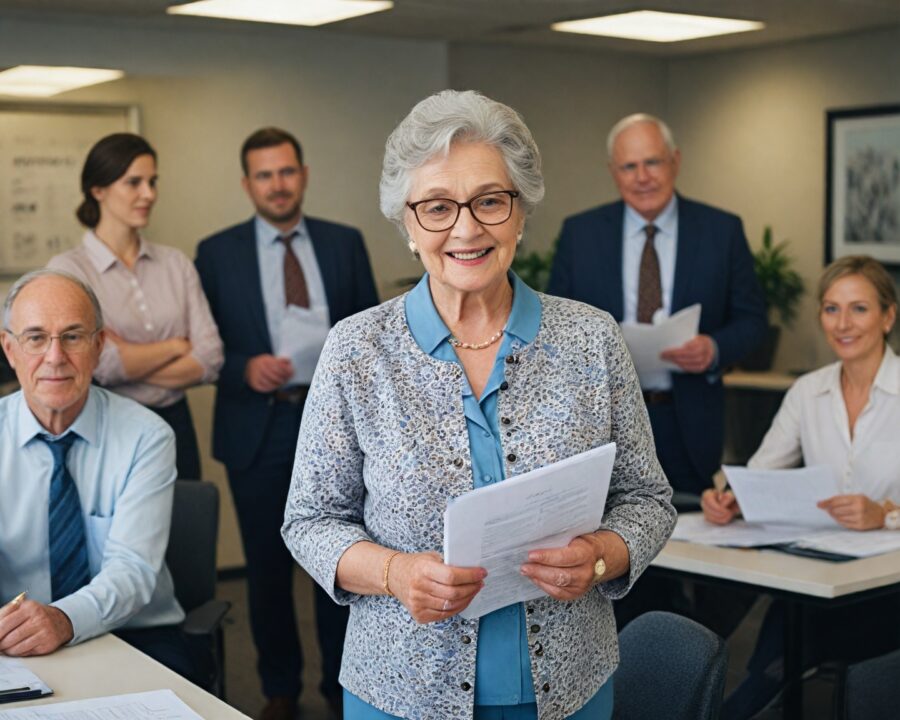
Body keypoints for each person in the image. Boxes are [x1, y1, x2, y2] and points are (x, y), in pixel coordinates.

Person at [282, 90, 676, 720]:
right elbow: (310, 520)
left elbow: (647, 499)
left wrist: (602, 556)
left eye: (490, 201)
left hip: (570, 686)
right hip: (401, 689)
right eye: (438, 207)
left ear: (520, 213)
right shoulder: (357, 350)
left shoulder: (591, 338)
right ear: (408, 225)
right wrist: (394, 574)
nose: (466, 229)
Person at [195, 127, 378, 720]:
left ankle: (340, 685)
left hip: (339, 427)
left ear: (303, 174)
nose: (277, 185)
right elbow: (204, 344)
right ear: (247, 183)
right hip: (260, 425)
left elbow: (374, 336)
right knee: (267, 568)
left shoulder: (343, 243)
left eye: (286, 172)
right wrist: (244, 368)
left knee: (342, 557)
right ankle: (278, 688)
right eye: (264, 175)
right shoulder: (216, 253)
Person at [702, 255, 900, 719]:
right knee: (767, 668)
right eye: (831, 309)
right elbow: (762, 470)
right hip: (818, 578)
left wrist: (885, 514)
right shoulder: (808, 391)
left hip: (888, 587)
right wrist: (730, 498)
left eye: (859, 309)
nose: (843, 324)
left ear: (888, 317)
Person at [548, 113, 767, 500]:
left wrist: (714, 349)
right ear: (613, 172)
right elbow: (555, 327)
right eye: (629, 167)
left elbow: (752, 320)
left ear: (675, 161)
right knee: (607, 526)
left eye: (652, 162)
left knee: (693, 528)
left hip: (688, 421)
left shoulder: (721, 231)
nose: (642, 177)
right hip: (603, 424)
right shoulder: (581, 234)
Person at [0, 269, 192, 680]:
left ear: (99, 346)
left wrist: (63, 619)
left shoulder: (147, 436)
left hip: (135, 634)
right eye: (35, 338)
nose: (55, 357)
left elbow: (132, 570)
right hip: (13, 638)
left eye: (72, 336)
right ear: (9, 349)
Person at [48, 133, 223, 481]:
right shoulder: (68, 271)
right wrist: (176, 346)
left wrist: (127, 355)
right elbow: (99, 365)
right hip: (107, 426)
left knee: (185, 514)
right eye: (134, 183)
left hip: (176, 426)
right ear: (98, 190)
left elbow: (211, 358)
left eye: (152, 182)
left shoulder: (175, 264)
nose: (149, 194)